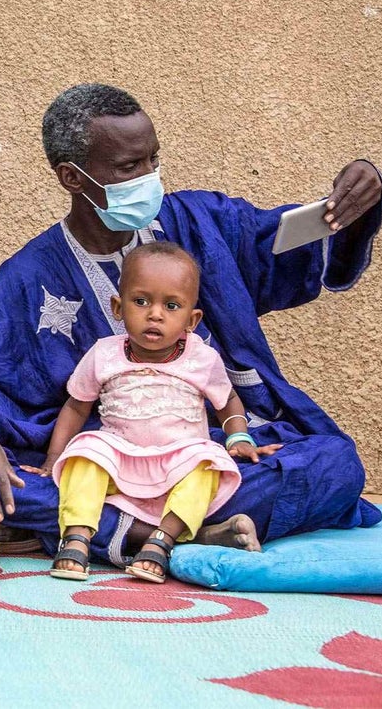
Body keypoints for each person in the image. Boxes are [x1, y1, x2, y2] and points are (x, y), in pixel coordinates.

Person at [0, 82, 382, 569]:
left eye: (153, 159)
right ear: (72, 178)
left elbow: (282, 242)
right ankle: (163, 533)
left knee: (335, 465)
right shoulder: (31, 272)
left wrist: (355, 203)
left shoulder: (199, 223)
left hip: (202, 448)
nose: (150, 176)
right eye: (131, 167)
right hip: (97, 452)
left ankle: (88, 527)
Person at [30, 242, 263, 583]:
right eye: (141, 301)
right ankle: (77, 537)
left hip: (178, 459)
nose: (155, 314)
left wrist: (238, 436)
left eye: (171, 306)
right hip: (118, 457)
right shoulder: (103, 354)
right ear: (117, 307)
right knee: (84, 453)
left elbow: (227, 401)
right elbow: (76, 406)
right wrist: (53, 456)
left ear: (192, 319)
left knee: (210, 463)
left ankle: (161, 540)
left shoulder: (202, 359)